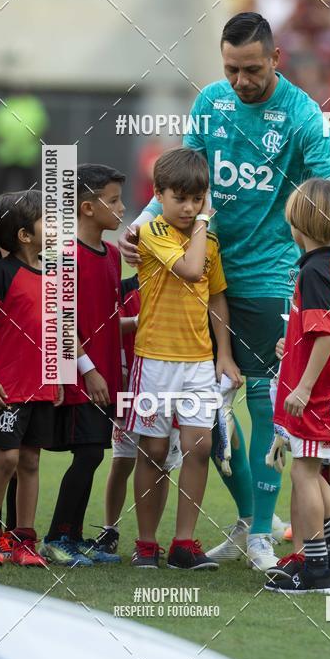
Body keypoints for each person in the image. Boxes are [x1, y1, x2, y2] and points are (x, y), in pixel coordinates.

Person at [119, 12, 330, 571]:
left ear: (275, 59)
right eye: (231, 69)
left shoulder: (300, 112)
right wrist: (142, 223)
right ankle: (248, 517)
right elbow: (181, 179)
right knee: (211, 409)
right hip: (204, 273)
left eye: (251, 70)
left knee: (264, 400)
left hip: (269, 278)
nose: (240, 81)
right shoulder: (210, 103)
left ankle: (264, 533)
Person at [126, 148, 242, 569]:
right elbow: (192, 271)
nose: (190, 208)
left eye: (198, 199)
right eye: (180, 198)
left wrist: (223, 354)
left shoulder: (207, 239)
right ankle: (145, 543)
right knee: (154, 451)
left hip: (197, 362)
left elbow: (215, 296)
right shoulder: (153, 231)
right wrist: (205, 222)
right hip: (155, 360)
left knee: (200, 446)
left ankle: (183, 543)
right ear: (159, 194)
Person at [264, 179, 330, 594]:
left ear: (297, 224)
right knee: (317, 473)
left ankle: (316, 569)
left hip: (320, 393)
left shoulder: (314, 270)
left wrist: (303, 387)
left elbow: (325, 335)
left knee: (304, 474)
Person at [40, 165, 126, 567]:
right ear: (88, 208)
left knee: (94, 452)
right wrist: (88, 368)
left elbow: (106, 317)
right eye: (114, 201)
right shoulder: (65, 255)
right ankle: (57, 538)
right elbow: (59, 319)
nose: (122, 208)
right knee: (89, 452)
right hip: (80, 376)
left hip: (104, 374)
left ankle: (72, 537)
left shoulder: (110, 254)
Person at [0, 190, 62, 568]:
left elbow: (55, 332)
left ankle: (24, 541)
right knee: (5, 459)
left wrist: (57, 378)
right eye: (47, 221)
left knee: (30, 461)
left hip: (41, 388)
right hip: (7, 389)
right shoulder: (0, 273)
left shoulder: (53, 274)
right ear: (25, 235)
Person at [97, 275, 182, 555]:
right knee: (122, 461)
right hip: (129, 385)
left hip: (169, 387)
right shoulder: (122, 288)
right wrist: (137, 322)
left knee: (162, 465)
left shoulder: (180, 285)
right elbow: (108, 327)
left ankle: (150, 539)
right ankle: (110, 529)